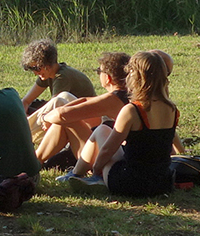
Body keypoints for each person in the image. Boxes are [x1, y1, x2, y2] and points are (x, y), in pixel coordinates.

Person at [74, 50, 180, 197]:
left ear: (135, 77)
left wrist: (97, 170)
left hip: (129, 182)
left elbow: (107, 150)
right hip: (162, 182)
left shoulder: (132, 110)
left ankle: (77, 174)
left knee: (101, 131)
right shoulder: (172, 109)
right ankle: (78, 174)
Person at [35, 51, 130, 168]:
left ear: (108, 78)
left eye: (99, 71)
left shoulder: (113, 100)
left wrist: (45, 117)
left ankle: (33, 162)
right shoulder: (128, 95)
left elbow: (62, 115)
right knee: (67, 118)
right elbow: (86, 102)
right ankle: (35, 161)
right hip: (122, 155)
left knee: (66, 120)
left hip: (114, 161)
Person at [18, 38, 95, 114]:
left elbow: (53, 108)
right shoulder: (47, 74)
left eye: (36, 68)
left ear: (47, 65)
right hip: (69, 109)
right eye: (32, 69)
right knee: (31, 105)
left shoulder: (62, 77)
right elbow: (26, 101)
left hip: (86, 115)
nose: (35, 73)